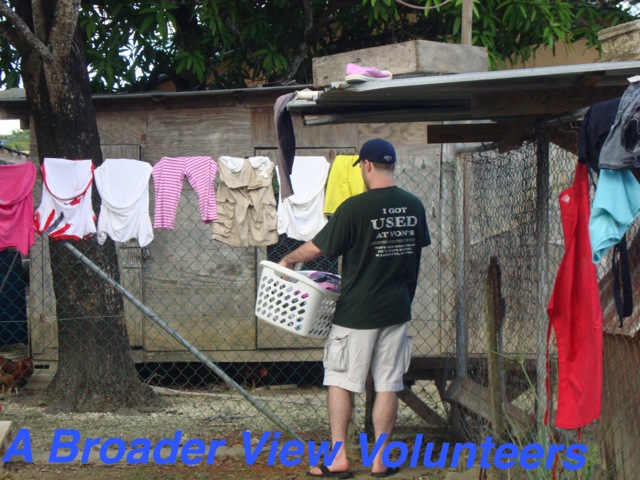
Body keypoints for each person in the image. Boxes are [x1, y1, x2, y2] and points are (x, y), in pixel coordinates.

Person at [278, 138, 431, 478]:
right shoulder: (414, 206)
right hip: (396, 310)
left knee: (340, 381)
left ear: (366, 166)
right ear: (391, 165)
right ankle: (379, 461)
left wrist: (288, 257)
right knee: (388, 383)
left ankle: (338, 459)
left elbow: (318, 248)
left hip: (357, 313)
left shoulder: (354, 208)